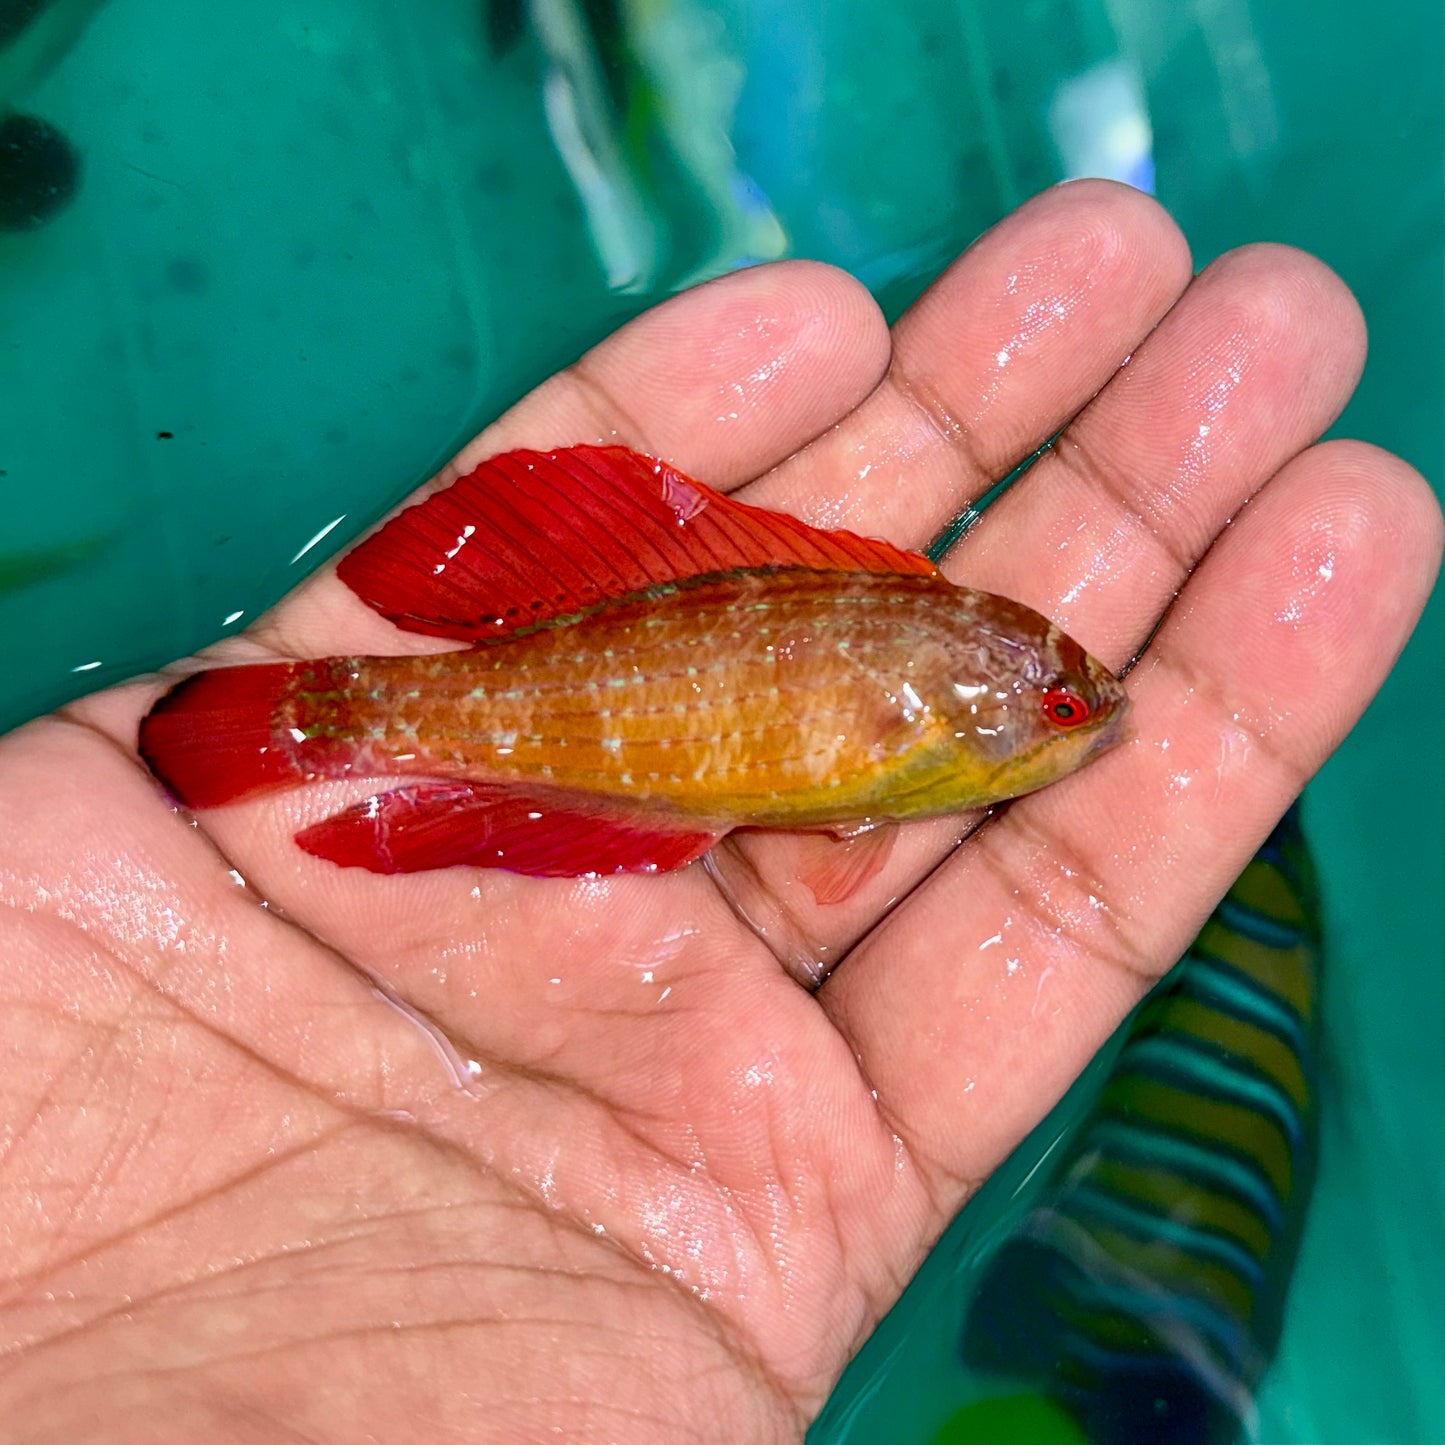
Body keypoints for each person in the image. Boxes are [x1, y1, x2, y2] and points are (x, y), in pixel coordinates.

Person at [0, 181, 1438, 1441]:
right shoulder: (945, 713)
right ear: (984, 721)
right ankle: (338, 718)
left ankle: (348, 719)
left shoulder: (944, 695)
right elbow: (848, 802)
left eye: (1066, 710)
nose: (1086, 725)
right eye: (1063, 710)